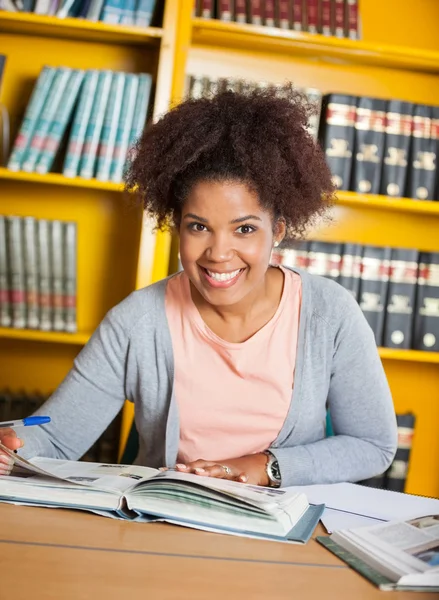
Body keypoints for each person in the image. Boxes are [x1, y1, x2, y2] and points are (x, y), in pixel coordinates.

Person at [0, 86, 397, 487]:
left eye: (244, 229)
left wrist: (265, 467)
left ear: (276, 231)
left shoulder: (329, 312)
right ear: (176, 227)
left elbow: (372, 444)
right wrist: (15, 444)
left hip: (283, 534)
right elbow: (54, 434)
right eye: (198, 227)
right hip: (165, 527)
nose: (219, 253)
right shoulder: (137, 322)